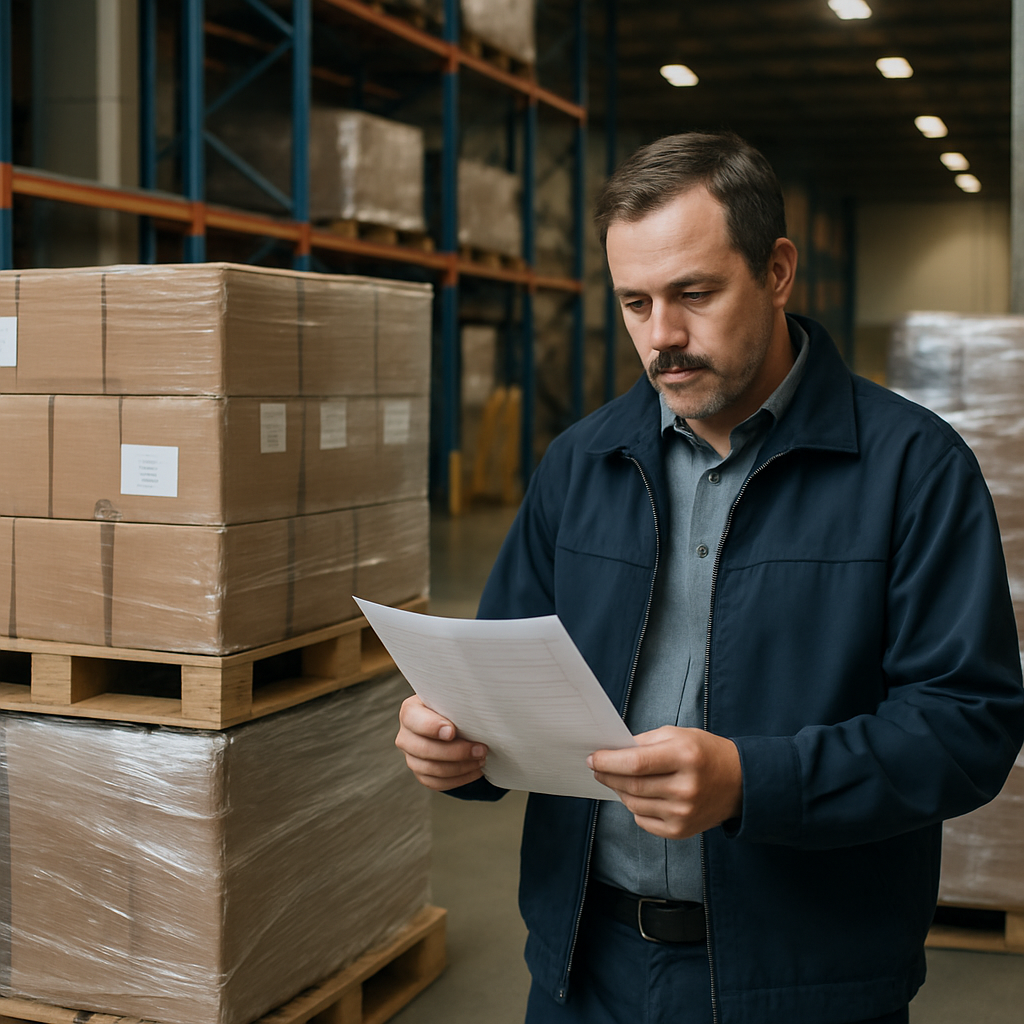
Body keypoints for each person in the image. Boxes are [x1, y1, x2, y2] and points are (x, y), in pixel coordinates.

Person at [395, 132, 1024, 1024]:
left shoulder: (912, 468)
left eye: (695, 294)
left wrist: (751, 781)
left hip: (805, 982)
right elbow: (499, 682)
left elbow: (969, 728)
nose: (663, 337)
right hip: (584, 972)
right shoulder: (582, 464)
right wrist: (456, 750)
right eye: (635, 302)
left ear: (776, 270)